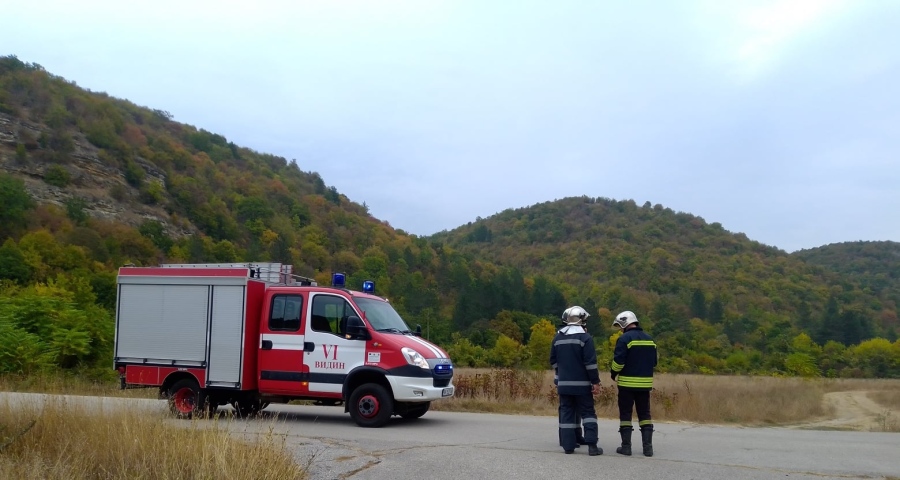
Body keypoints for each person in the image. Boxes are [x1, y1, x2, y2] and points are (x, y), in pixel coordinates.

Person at [550, 306, 602, 456]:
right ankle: (592, 446)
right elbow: (590, 364)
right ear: (581, 320)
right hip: (582, 385)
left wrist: (561, 372)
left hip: (564, 385)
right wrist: (595, 382)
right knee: (588, 413)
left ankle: (568, 446)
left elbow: (553, 360)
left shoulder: (558, 338)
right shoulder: (585, 338)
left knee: (566, 413)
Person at [610, 310, 658, 457]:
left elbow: (619, 362)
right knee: (645, 414)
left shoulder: (624, 339)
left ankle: (626, 447)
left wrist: (613, 373)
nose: (620, 330)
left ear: (624, 324)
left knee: (626, 414)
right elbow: (654, 362)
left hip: (626, 385)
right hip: (645, 385)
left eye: (620, 327)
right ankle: (648, 448)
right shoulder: (650, 339)